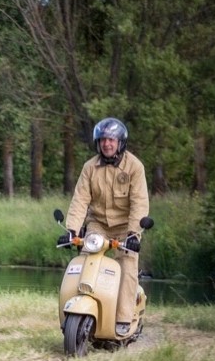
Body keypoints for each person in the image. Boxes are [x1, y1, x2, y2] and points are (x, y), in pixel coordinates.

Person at [58, 117, 150, 335]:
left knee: (127, 265)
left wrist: (134, 234)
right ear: (97, 143)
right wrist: (72, 230)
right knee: (86, 260)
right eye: (103, 140)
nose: (107, 144)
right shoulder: (89, 167)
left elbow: (139, 202)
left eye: (111, 140)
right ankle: (80, 310)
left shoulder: (135, 167)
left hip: (125, 227)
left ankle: (123, 318)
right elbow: (80, 200)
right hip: (98, 224)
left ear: (120, 143)